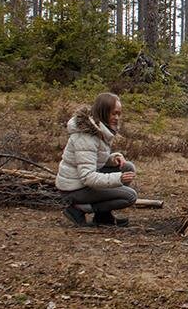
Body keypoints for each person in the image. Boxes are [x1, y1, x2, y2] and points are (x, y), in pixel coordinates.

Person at [56, 92, 137, 227]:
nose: (117, 118)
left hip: (82, 184)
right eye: (113, 114)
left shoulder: (99, 129)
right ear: (103, 113)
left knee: (127, 167)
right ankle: (78, 209)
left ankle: (103, 216)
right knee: (129, 196)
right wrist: (119, 179)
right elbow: (87, 177)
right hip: (74, 190)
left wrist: (113, 159)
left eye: (119, 114)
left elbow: (92, 159)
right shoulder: (87, 137)